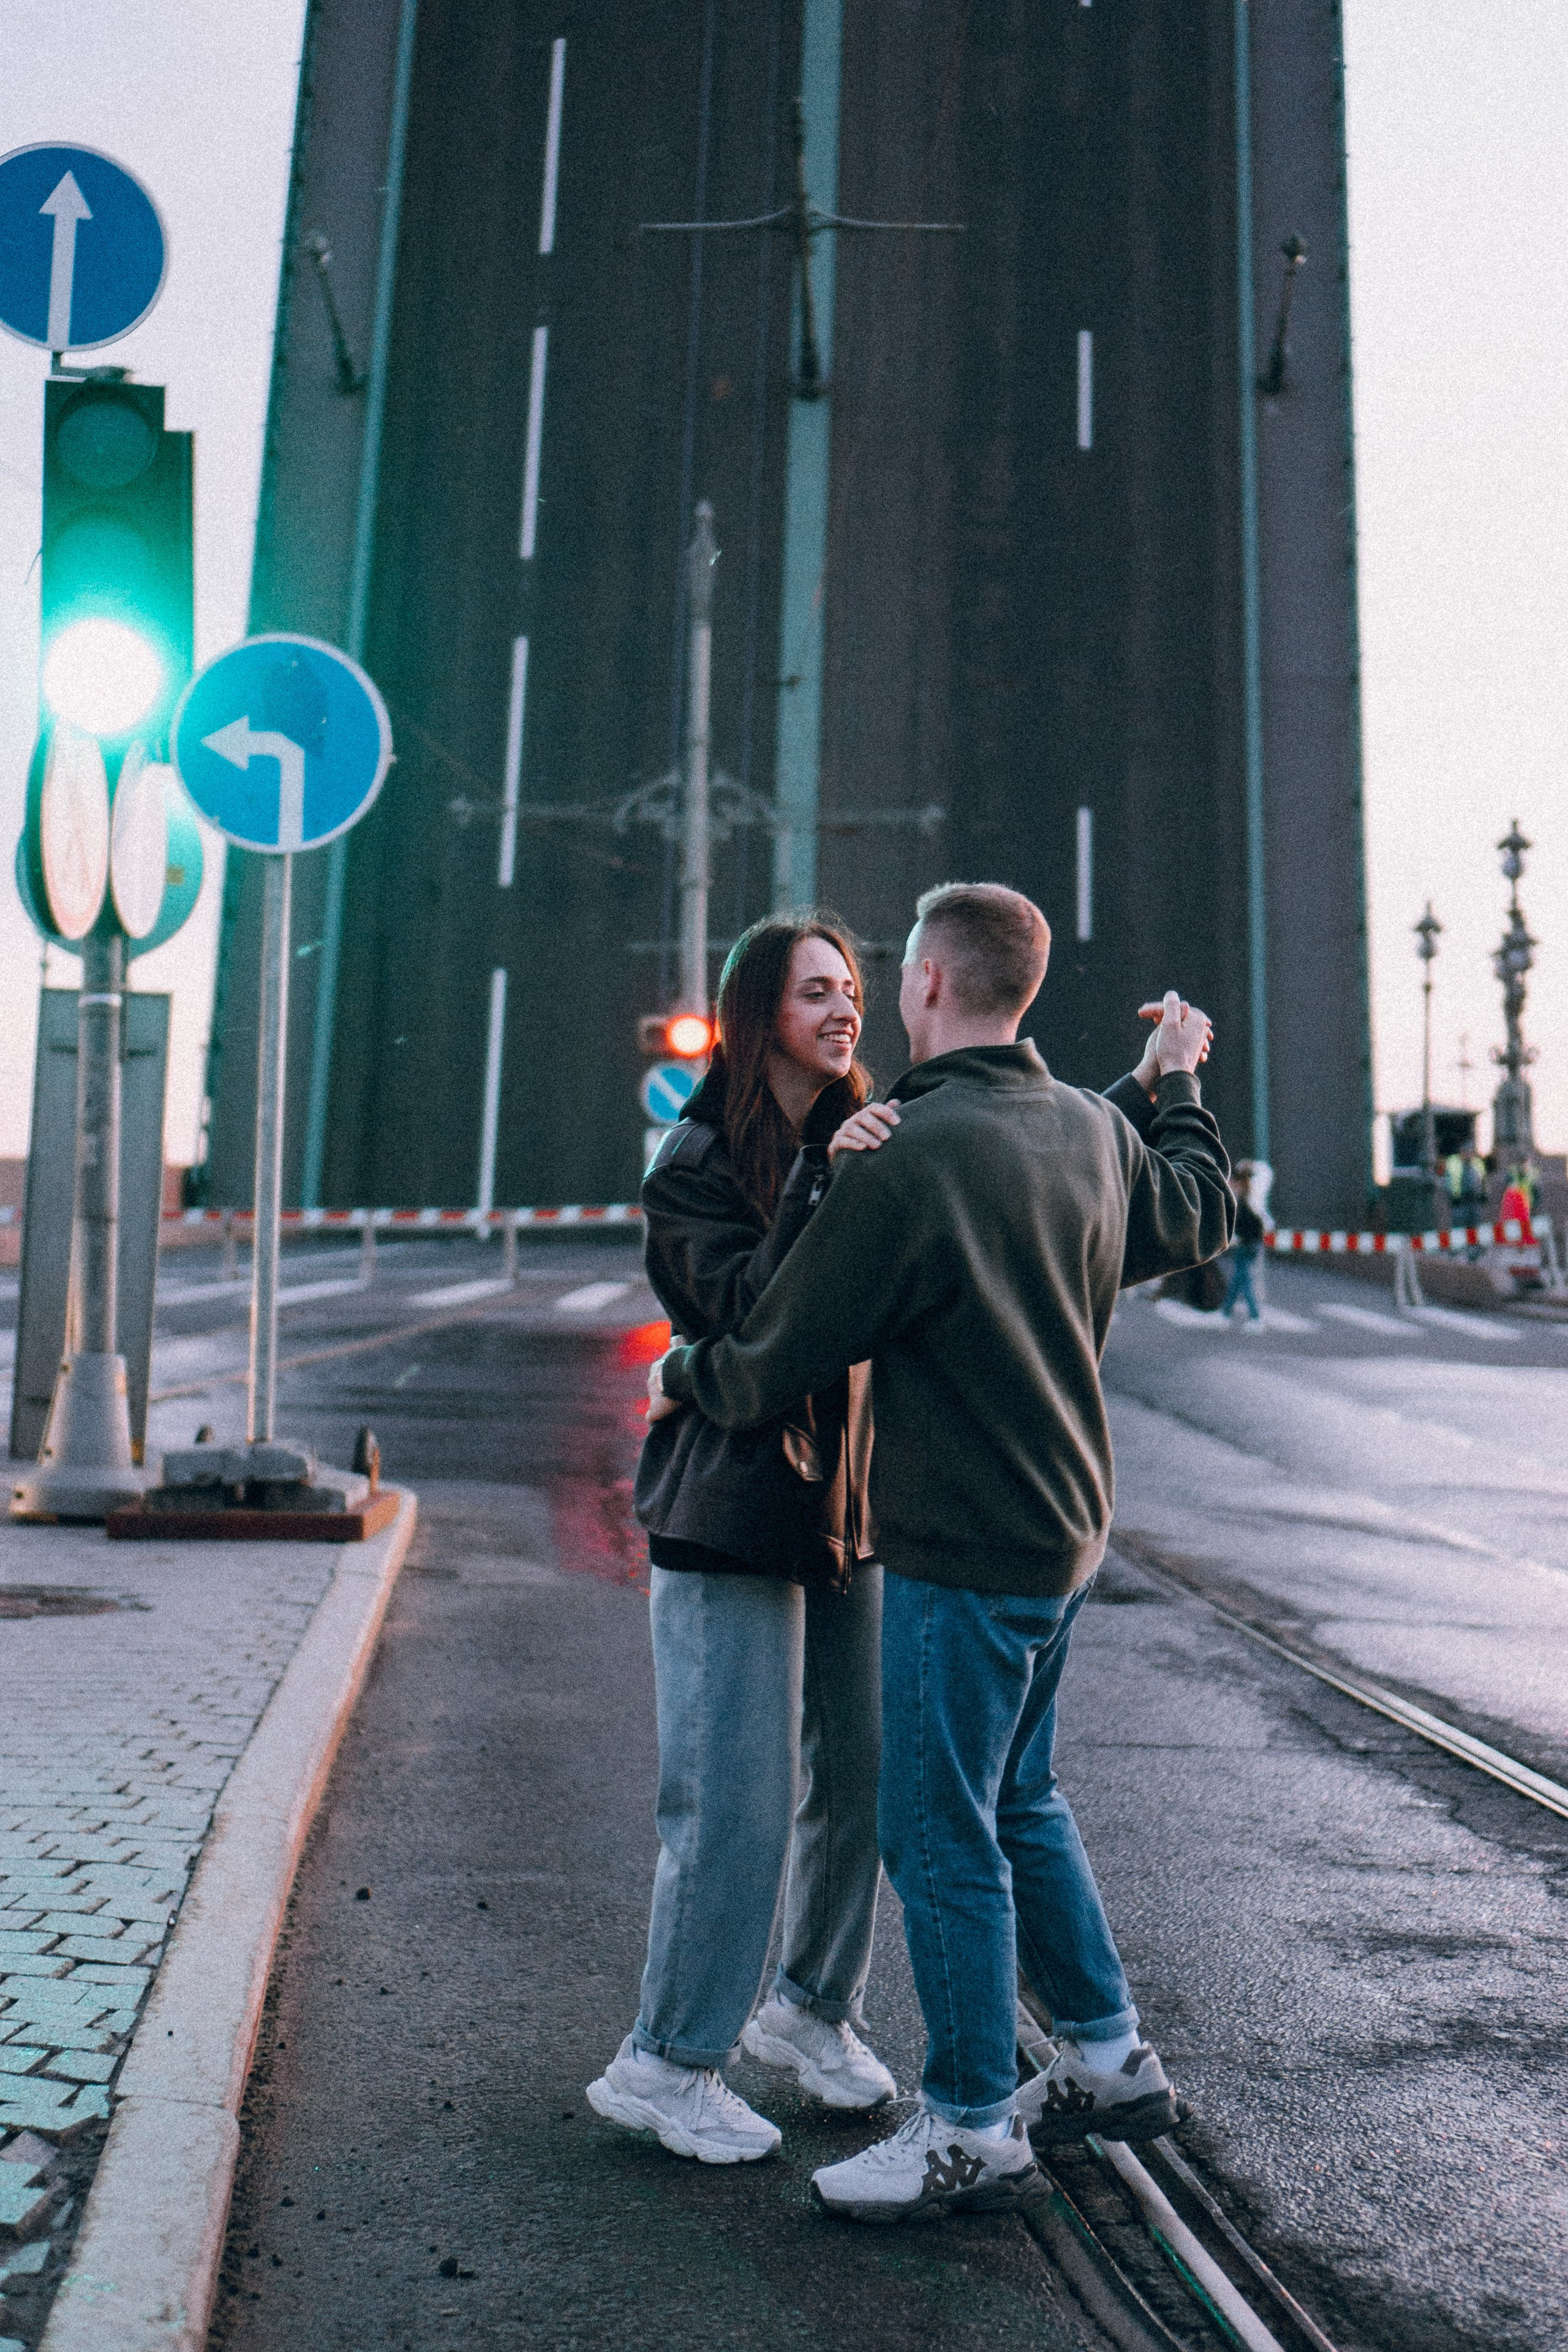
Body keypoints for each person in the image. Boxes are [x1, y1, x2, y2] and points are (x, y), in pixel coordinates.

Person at [647, 882, 1232, 2222]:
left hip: (961, 1541)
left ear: (922, 985)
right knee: (1019, 1795)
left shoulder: (909, 1156)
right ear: (1019, 991)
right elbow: (1190, 1210)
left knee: (937, 1830)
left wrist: (691, 1372)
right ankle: (1101, 2050)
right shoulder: (1085, 1127)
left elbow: (781, 1342)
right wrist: (1172, 1080)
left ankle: (968, 2121)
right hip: (1068, 1531)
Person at [586, 914, 895, 2167]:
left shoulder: (867, 1137)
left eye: (853, 991)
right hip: (728, 1510)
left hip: (851, 1512)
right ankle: (663, 2060)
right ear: (757, 1008)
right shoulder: (695, 1161)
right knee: (733, 1805)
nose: (843, 1011)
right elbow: (745, 1314)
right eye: (815, 992)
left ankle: (810, 2010)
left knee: (861, 1781)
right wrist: (833, 1177)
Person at [1219, 1162, 1265, 1324]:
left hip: (1246, 1244)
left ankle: (1255, 1317)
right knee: (1239, 1280)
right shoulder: (1249, 1197)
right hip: (1248, 1244)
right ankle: (1225, 1313)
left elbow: (1249, 1223)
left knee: (1243, 1281)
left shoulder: (1244, 1200)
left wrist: (1238, 1236)